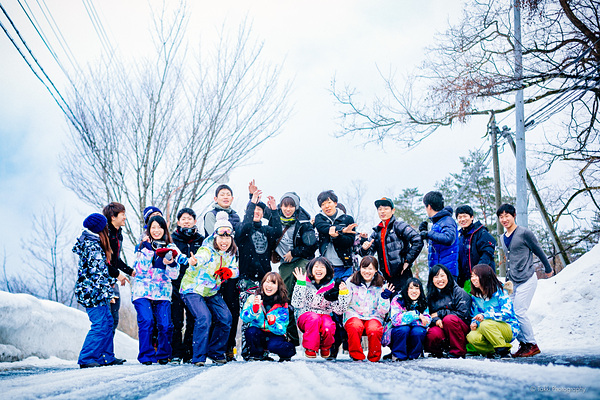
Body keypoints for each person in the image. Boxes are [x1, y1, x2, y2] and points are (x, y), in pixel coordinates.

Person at [180, 211, 239, 366]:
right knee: (204, 317)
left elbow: (235, 270)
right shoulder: (206, 250)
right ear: (215, 237)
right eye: (221, 237)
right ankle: (198, 357)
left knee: (226, 318)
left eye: (228, 237)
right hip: (193, 289)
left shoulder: (230, 253)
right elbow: (200, 259)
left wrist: (229, 272)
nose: (224, 241)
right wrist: (194, 262)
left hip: (211, 291)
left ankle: (216, 351)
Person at [497, 203, 553, 358]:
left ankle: (532, 344)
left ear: (514, 215)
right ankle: (524, 345)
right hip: (513, 282)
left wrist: (548, 269)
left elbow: (538, 250)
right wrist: (507, 282)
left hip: (527, 278)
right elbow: (508, 261)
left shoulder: (524, 233)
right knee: (511, 313)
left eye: (507, 215)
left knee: (520, 311)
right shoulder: (502, 237)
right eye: (501, 217)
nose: (504, 219)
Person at [233, 188, 282, 359]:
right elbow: (244, 227)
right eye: (253, 210)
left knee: (264, 315)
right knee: (249, 316)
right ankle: (248, 351)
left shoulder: (267, 231)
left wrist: (274, 210)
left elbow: (277, 230)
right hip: (246, 280)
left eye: (260, 211)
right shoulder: (242, 230)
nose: (256, 213)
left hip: (264, 281)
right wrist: (252, 202)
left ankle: (262, 350)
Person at [132, 215, 187, 365]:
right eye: (153, 227)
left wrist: (170, 264)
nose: (156, 231)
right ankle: (146, 356)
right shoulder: (142, 246)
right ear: (148, 230)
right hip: (142, 291)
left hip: (162, 292)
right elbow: (140, 270)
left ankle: (163, 354)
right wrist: (149, 250)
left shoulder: (171, 248)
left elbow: (174, 276)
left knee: (165, 324)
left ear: (165, 229)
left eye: (159, 227)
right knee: (147, 321)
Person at [73, 213, 125, 368]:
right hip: (92, 293)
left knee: (108, 322)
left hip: (96, 291)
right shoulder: (92, 246)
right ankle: (87, 357)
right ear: (101, 228)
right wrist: (108, 294)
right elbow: (98, 274)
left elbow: (101, 272)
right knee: (100, 324)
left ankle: (106, 357)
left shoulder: (94, 243)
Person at [314, 190, 356, 358]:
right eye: (323, 204)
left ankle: (351, 346)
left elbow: (349, 241)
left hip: (345, 268)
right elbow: (321, 228)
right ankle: (333, 347)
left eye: (329, 202)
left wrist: (337, 235)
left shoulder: (348, 219)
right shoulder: (320, 218)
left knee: (346, 306)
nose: (327, 206)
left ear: (335, 203)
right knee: (330, 308)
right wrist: (340, 230)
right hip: (328, 271)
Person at [273, 192, 317, 346]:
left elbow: (312, 245)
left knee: (304, 297)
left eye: (292, 206)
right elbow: (257, 210)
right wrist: (251, 194)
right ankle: (292, 337)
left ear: (296, 207)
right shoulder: (275, 219)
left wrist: (294, 252)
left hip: (302, 262)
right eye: (285, 205)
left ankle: (312, 336)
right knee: (283, 298)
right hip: (284, 265)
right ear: (281, 206)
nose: (288, 209)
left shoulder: (304, 222)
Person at [291, 257, 350, 359]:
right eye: (316, 267)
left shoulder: (332, 286)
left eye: (322, 267)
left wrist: (343, 294)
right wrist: (300, 284)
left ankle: (326, 347)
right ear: (311, 269)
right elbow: (297, 304)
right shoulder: (304, 282)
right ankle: (310, 348)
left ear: (327, 270)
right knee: (314, 318)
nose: (319, 269)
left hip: (324, 315)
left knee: (329, 325)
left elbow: (339, 310)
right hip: (305, 316)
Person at [360, 197, 423, 292]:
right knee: (388, 304)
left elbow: (418, 240)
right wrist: (364, 246)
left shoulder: (399, 226)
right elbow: (367, 255)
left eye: (386, 209)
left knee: (403, 304)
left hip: (402, 275)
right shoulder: (377, 231)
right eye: (380, 209)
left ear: (392, 211)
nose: (382, 212)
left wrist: (407, 261)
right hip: (386, 278)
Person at [170, 207, 204, 364]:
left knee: (193, 319)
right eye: (183, 218)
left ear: (195, 221)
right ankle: (176, 352)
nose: (186, 221)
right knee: (176, 321)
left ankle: (189, 352)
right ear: (178, 222)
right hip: (176, 285)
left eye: (189, 218)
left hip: (194, 287)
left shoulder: (201, 240)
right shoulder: (172, 240)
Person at [343, 256, 392, 362]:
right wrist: (343, 293)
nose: (367, 271)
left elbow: (383, 311)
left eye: (370, 269)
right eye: (364, 268)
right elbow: (344, 304)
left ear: (375, 270)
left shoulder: (382, 284)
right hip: (354, 313)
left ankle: (374, 357)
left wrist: (384, 297)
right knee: (355, 326)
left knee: (374, 329)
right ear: (360, 268)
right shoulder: (351, 282)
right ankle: (357, 356)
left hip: (373, 315)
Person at [240, 272, 296, 361]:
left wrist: (272, 323)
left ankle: (288, 350)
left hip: (275, 334)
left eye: (273, 283)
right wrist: (253, 311)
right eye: (267, 282)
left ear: (278, 286)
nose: (269, 285)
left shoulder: (282, 303)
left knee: (274, 346)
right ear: (262, 284)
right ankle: (257, 355)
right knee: (251, 332)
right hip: (258, 334)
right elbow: (244, 317)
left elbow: (282, 329)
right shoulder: (253, 298)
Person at [467, 264, 519, 359]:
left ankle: (504, 351)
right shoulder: (475, 297)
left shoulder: (501, 292)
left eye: (476, 276)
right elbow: (474, 315)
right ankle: (492, 352)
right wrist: (474, 323)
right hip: (487, 328)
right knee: (472, 336)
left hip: (508, 328)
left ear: (485, 276)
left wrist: (485, 315)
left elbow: (507, 314)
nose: (473, 279)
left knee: (485, 324)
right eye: (472, 276)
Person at [102, 202, 134, 354]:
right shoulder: (104, 234)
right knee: (106, 320)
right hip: (102, 282)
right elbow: (103, 262)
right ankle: (101, 354)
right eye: (122, 215)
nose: (125, 218)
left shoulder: (118, 232)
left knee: (114, 319)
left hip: (112, 280)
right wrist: (117, 274)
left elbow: (116, 259)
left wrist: (129, 271)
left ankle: (108, 354)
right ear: (113, 216)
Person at [424, 264, 471, 358]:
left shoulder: (458, 292)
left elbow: (463, 314)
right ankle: (439, 351)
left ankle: (458, 352)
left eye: (442, 275)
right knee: (433, 334)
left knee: (449, 319)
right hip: (441, 325)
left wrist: (441, 314)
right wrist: (436, 320)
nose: (439, 279)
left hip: (460, 327)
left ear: (448, 276)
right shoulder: (431, 295)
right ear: (432, 279)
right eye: (436, 276)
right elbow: (429, 314)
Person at [455, 205, 496, 292]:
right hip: (467, 281)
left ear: (472, 217)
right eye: (459, 217)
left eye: (465, 216)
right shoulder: (460, 237)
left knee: (486, 303)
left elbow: (487, 253)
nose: (462, 219)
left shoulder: (481, 233)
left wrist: (478, 272)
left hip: (483, 278)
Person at [419, 191, 459, 278]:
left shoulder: (447, 220)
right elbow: (436, 246)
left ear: (429, 206)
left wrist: (428, 233)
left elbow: (449, 238)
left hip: (447, 273)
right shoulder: (438, 222)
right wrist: (424, 232)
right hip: (438, 272)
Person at [388, 278, 431, 361]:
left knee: (418, 331)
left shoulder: (423, 301)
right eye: (411, 288)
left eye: (417, 288)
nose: (414, 291)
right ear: (406, 289)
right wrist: (416, 315)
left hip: (414, 330)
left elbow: (427, 320)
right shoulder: (398, 300)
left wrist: (409, 322)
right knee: (404, 329)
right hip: (398, 332)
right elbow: (396, 320)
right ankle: (398, 355)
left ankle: (414, 355)